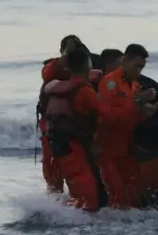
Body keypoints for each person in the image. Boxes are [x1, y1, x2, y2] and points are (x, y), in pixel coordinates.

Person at [41, 48, 108, 211]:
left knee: (72, 193)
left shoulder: (52, 89)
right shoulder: (85, 91)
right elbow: (104, 117)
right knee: (88, 197)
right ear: (88, 67)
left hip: (55, 147)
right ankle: (82, 228)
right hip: (76, 148)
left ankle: (58, 214)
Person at [96, 43, 158, 209]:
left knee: (133, 196)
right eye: (136, 66)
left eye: (141, 67)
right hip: (109, 147)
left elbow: (132, 115)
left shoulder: (135, 85)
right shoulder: (109, 83)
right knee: (117, 196)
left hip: (127, 147)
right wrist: (137, 101)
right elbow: (107, 116)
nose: (138, 71)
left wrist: (146, 111)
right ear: (124, 60)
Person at [38, 34, 84, 193]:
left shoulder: (84, 70)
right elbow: (47, 74)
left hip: (74, 129)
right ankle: (55, 202)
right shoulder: (52, 69)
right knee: (52, 170)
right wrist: (65, 57)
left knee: (77, 172)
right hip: (51, 127)